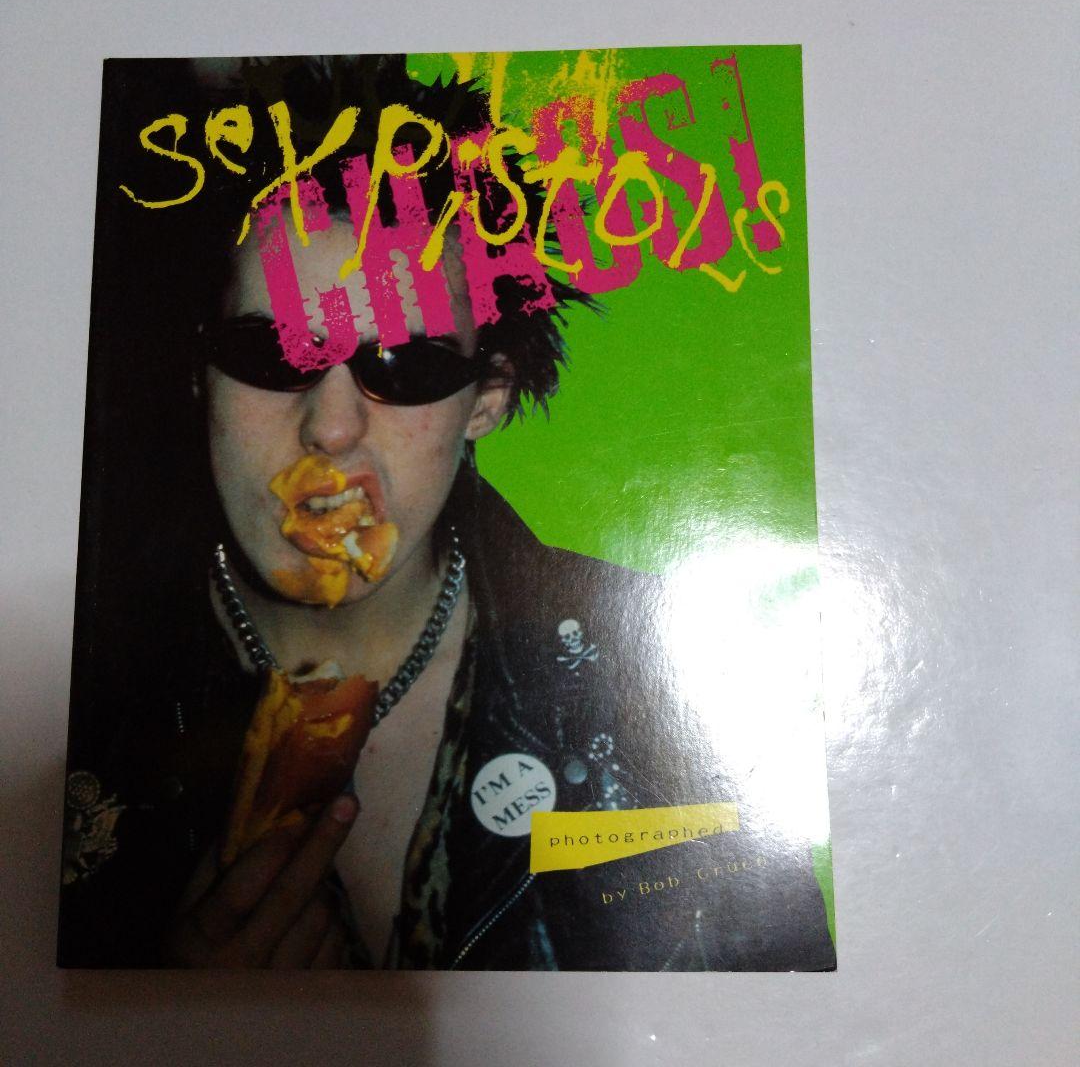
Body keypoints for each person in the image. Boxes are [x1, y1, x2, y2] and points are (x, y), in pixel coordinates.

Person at [58, 55, 835, 971]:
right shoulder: (73, 692)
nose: (331, 427)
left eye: (405, 366)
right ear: (202, 374)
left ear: (486, 399)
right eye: (272, 353)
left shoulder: (669, 688)